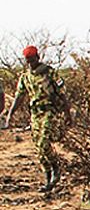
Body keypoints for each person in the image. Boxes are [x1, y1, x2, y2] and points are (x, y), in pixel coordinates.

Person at [3, 46, 72, 192]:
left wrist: (67, 114)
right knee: (38, 148)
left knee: (44, 142)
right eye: (27, 60)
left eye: (32, 59)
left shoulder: (49, 72)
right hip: (35, 114)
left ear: (38, 57)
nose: (30, 62)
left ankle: (56, 168)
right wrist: (10, 115)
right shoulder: (25, 77)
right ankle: (48, 178)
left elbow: (63, 94)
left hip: (49, 112)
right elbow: (19, 97)